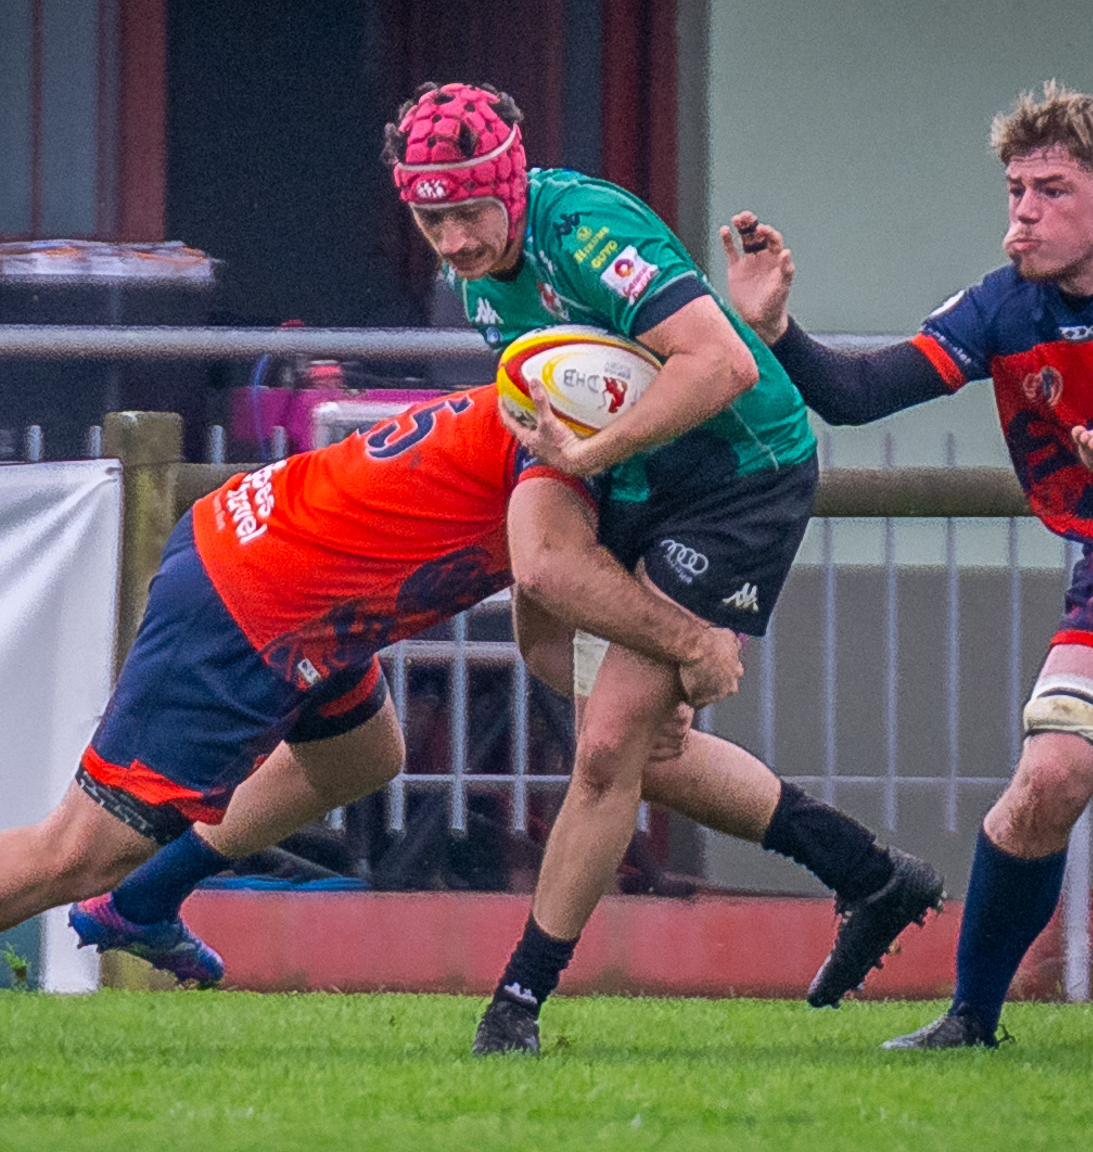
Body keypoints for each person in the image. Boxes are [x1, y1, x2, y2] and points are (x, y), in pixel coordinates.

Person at [0, 383, 926, 1052]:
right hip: (251, 605)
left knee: (367, 751)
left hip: (282, 570)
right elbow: (550, 589)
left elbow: (545, 615)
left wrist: (624, 721)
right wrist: (684, 649)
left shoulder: (576, 397)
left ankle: (144, 903)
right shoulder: (574, 427)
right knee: (74, 846)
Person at [721, 82, 1093, 1048]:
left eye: (1050, 191)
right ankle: (972, 1019)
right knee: (1049, 771)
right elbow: (859, 391)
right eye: (1015, 191)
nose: (1023, 214)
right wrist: (778, 334)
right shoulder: (1004, 304)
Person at [385, 82, 943, 1056]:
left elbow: (722, 365)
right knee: (554, 607)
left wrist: (587, 459)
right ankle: (869, 871)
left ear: (511, 187)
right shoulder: (476, 276)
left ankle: (514, 1006)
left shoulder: (584, 231)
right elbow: (563, 389)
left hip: (738, 472)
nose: (457, 239)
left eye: (471, 212)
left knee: (608, 748)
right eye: (433, 218)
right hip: (631, 465)